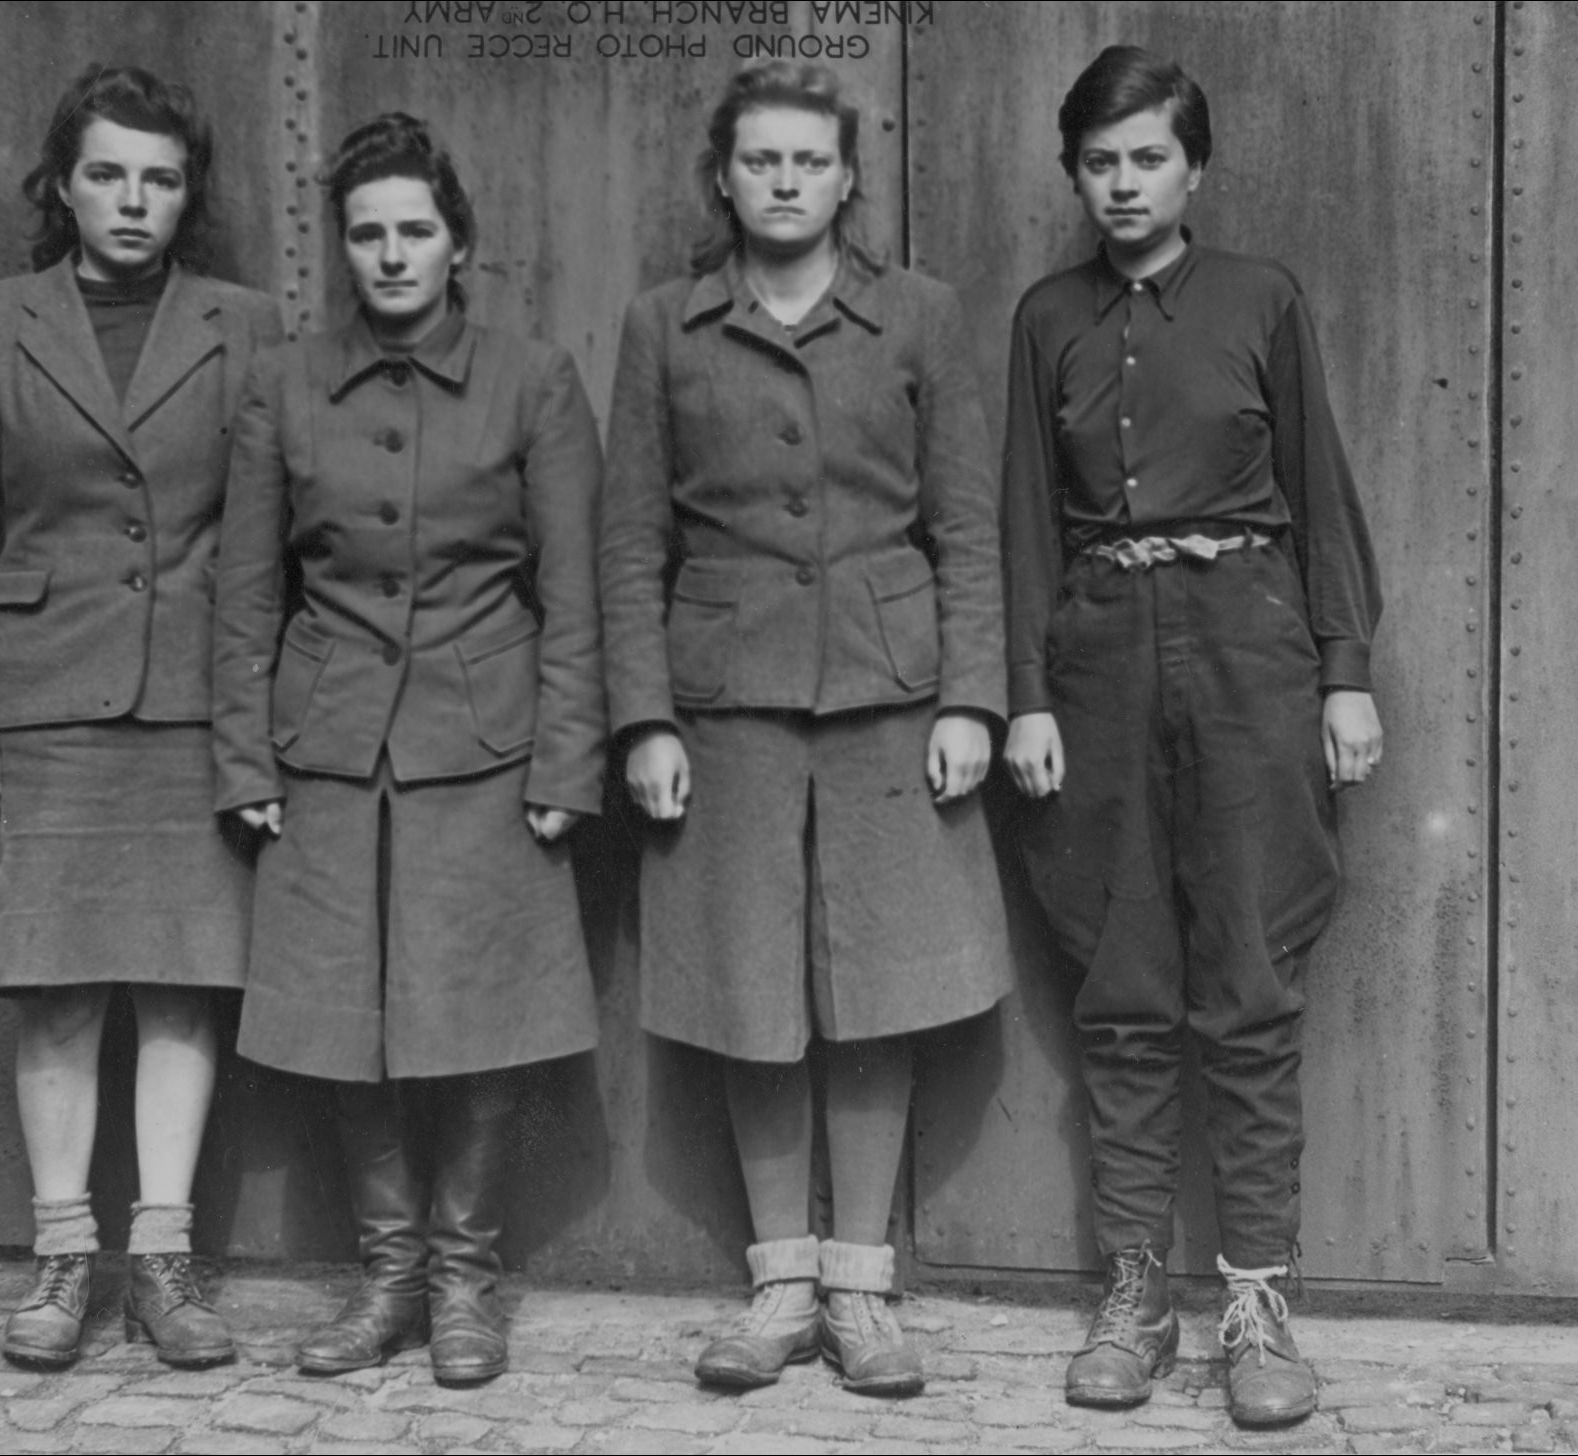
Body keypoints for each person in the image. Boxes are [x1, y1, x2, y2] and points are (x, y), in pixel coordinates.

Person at [600, 60, 1011, 1398]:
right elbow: (626, 545)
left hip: (890, 700)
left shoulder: (918, 318)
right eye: (759, 161)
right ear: (722, 178)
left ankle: (860, 1285)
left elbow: (964, 523)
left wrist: (969, 696)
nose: (784, 183)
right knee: (747, 989)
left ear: (847, 178)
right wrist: (642, 719)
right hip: (723, 706)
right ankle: (777, 1283)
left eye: (807, 161)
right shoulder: (665, 324)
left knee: (877, 989)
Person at [1001, 45, 1384, 1427]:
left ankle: (1256, 1306)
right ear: (1074, 174)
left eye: (1146, 158)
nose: (1121, 183)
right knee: (1118, 990)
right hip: (1098, 660)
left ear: (1192, 169)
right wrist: (1025, 697)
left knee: (1246, 984)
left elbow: (1318, 493)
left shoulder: (1259, 301)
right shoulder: (1045, 317)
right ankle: (1134, 1296)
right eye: (1098, 162)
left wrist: (1342, 671)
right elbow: (1019, 523)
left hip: (1246, 653)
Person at [212, 113, 604, 1387]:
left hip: (485, 746)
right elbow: (244, 592)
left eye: (413, 233)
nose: (390, 257)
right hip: (327, 750)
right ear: (342, 249)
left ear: (458, 245)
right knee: (346, 1022)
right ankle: (388, 1279)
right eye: (367, 235)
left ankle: (466, 1281)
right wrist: (246, 762)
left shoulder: (533, 380)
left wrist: (564, 763)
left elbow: (576, 590)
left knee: (478, 1022)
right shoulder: (284, 382)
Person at [0, 65, 282, 1367]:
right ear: (62, 184)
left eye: (161, 178)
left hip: (194, 700)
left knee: (186, 989)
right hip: (47, 696)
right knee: (57, 997)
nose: (134, 201)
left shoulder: (246, 324)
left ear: (190, 197)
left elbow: (273, 533)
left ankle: (165, 1263)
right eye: (108, 174)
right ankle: (65, 1258)